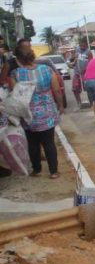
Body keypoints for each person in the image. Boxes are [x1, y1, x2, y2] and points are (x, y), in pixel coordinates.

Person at [9, 46, 64, 179]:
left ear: (18, 58)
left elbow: (15, 95)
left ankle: (37, 170)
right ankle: (54, 171)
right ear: (33, 55)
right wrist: (60, 105)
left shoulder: (15, 74)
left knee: (32, 143)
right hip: (47, 111)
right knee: (49, 142)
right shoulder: (47, 70)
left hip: (28, 113)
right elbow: (57, 90)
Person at [71, 40, 93, 108]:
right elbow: (72, 60)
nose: (82, 47)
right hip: (77, 73)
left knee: (88, 88)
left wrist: (84, 69)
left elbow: (90, 62)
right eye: (81, 45)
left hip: (86, 73)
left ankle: (91, 103)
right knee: (75, 88)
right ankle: (79, 103)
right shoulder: (76, 50)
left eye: (84, 46)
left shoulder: (88, 52)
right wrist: (74, 57)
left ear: (86, 45)